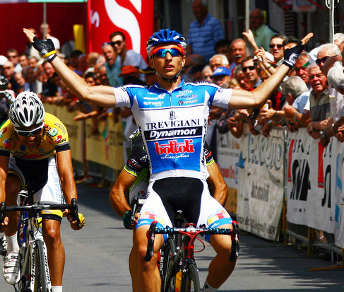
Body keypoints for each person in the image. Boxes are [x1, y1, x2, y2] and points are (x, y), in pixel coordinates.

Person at [24, 27, 312, 292]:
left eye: (174, 52)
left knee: (230, 246)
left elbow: (255, 97)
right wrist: (51, 55)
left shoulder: (204, 92)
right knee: (143, 249)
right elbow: (85, 91)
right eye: (160, 54)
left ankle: (205, 289)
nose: (168, 58)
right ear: (152, 61)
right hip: (159, 192)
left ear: (183, 58)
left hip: (197, 189)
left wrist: (287, 63)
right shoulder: (138, 95)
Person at [110, 130, 227, 292]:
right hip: (147, 175)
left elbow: (220, 185)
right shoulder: (144, 146)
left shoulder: (196, 140)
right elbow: (117, 191)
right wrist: (129, 214)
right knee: (143, 239)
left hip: (185, 185)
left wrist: (207, 216)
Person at [0, 92, 84, 292]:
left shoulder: (55, 127)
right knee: (10, 188)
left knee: (52, 233)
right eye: (24, 132)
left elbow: (65, 173)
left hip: (47, 165)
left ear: (42, 124)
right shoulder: (5, 132)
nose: (30, 138)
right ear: (15, 127)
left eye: (35, 131)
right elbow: (1, 177)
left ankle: (57, 289)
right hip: (17, 165)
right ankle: (13, 249)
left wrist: (72, 206)